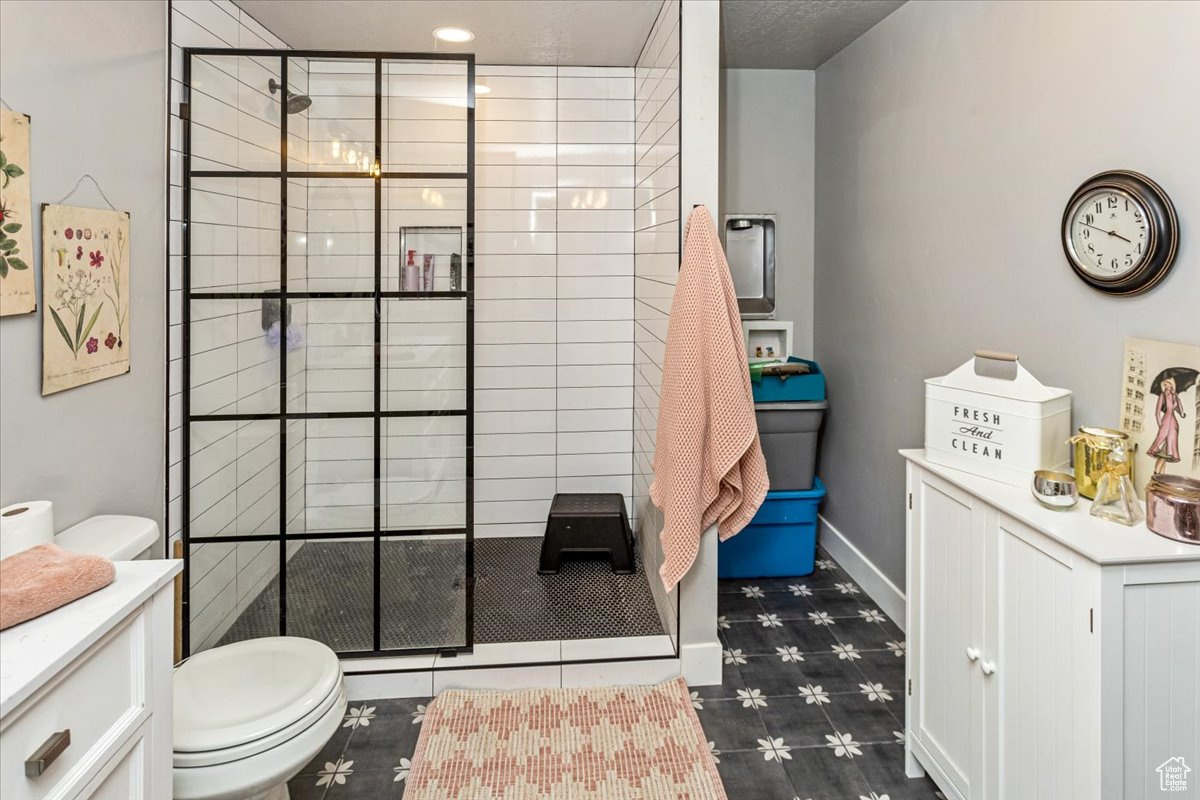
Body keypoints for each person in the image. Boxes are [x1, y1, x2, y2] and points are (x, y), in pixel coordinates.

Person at [1147, 376, 1184, 474]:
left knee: (1168, 450)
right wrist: (1160, 424)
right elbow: (1157, 412)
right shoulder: (1162, 395)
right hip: (1166, 422)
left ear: (1171, 384)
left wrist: (1178, 402)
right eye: (1164, 384)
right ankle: (1157, 474)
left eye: (1166, 383)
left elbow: (1179, 410)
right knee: (1163, 451)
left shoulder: (1174, 396)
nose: (1165, 386)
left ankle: (1160, 475)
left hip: (1173, 424)